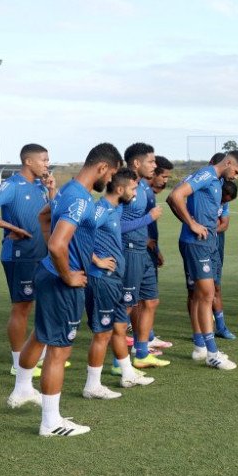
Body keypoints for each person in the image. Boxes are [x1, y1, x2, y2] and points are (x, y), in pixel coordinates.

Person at [7, 143, 122, 437]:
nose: (110, 180)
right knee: (59, 349)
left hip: (47, 273)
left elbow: (44, 217)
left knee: (40, 335)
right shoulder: (80, 199)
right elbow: (58, 245)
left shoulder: (67, 191)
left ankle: (22, 389)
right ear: (102, 168)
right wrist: (68, 275)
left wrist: (61, 256)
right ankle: (51, 422)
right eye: (111, 174)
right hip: (60, 281)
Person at [0, 143, 57, 377]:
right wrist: (12, 228)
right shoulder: (12, 185)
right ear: (28, 161)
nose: (47, 164)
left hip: (42, 254)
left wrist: (51, 191)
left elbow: (53, 214)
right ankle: (18, 363)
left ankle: (37, 355)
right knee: (22, 307)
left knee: (41, 303)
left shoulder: (41, 185)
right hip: (20, 256)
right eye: (43, 160)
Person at [169, 149, 238, 367]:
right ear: (229, 163)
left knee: (200, 295)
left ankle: (200, 347)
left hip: (209, 242)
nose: (236, 177)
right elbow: (175, 196)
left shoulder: (217, 180)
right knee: (207, 295)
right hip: (197, 243)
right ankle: (212, 354)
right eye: (237, 172)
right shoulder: (206, 174)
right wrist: (192, 223)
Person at [83, 167, 154, 399]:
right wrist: (96, 260)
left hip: (115, 279)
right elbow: (78, 234)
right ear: (121, 189)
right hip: (101, 279)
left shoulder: (115, 208)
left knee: (120, 327)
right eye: (133, 188)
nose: (136, 192)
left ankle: (127, 374)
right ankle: (92, 386)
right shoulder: (101, 209)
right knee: (102, 333)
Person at [120, 143, 168, 369]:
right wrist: (148, 219)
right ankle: (119, 361)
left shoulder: (144, 188)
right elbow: (115, 225)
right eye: (151, 161)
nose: (154, 165)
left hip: (144, 252)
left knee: (151, 301)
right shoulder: (122, 187)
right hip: (129, 251)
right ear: (136, 163)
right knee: (127, 306)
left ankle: (141, 354)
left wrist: (154, 248)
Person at [143, 155, 175, 353]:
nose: (165, 181)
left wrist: (156, 250)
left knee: (149, 299)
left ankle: (148, 337)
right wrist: (144, 241)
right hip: (139, 252)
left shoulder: (149, 193)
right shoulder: (141, 191)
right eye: (163, 176)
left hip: (149, 251)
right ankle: (141, 342)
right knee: (143, 300)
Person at [211, 178, 237, 340]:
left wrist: (213, 229)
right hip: (199, 248)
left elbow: (224, 224)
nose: (223, 204)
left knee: (216, 287)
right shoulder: (206, 199)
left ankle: (220, 327)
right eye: (223, 200)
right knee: (200, 292)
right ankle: (202, 332)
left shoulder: (224, 203)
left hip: (215, 247)